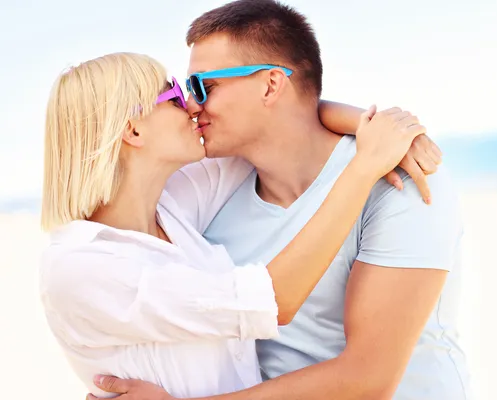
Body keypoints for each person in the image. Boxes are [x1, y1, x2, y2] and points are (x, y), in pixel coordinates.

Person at [91, 1, 471, 400]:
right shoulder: (211, 192)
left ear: (271, 85)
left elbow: (368, 379)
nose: (191, 104)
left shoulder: (399, 180)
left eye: (204, 86)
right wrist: (362, 120)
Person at [39, 52, 432, 399]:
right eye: (174, 95)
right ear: (133, 130)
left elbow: (280, 125)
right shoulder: (83, 266)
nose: (193, 105)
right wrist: (365, 166)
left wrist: (375, 129)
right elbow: (274, 299)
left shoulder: (170, 206)